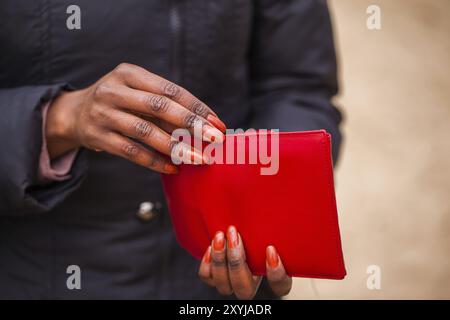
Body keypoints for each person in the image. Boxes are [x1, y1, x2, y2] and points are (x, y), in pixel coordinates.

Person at [0, 0, 342, 299]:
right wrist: (59, 119)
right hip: (35, 277)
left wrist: (267, 214)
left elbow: (296, 85)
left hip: (215, 288)